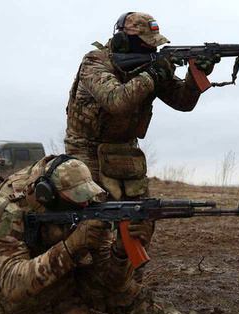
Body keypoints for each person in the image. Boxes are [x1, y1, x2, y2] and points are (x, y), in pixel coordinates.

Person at [0, 155, 239, 314]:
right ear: (46, 194)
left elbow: (111, 282)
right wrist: (71, 248)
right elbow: (14, 285)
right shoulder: (11, 209)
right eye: (75, 202)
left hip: (56, 279)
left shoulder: (88, 206)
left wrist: (123, 250)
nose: (85, 208)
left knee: (129, 299)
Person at [64, 11, 218, 200]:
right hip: (87, 151)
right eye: (146, 44)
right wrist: (153, 74)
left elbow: (183, 102)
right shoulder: (95, 62)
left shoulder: (152, 67)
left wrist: (195, 76)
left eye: (154, 44)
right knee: (94, 222)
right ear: (123, 40)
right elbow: (116, 101)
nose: (151, 49)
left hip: (125, 150)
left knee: (139, 221)